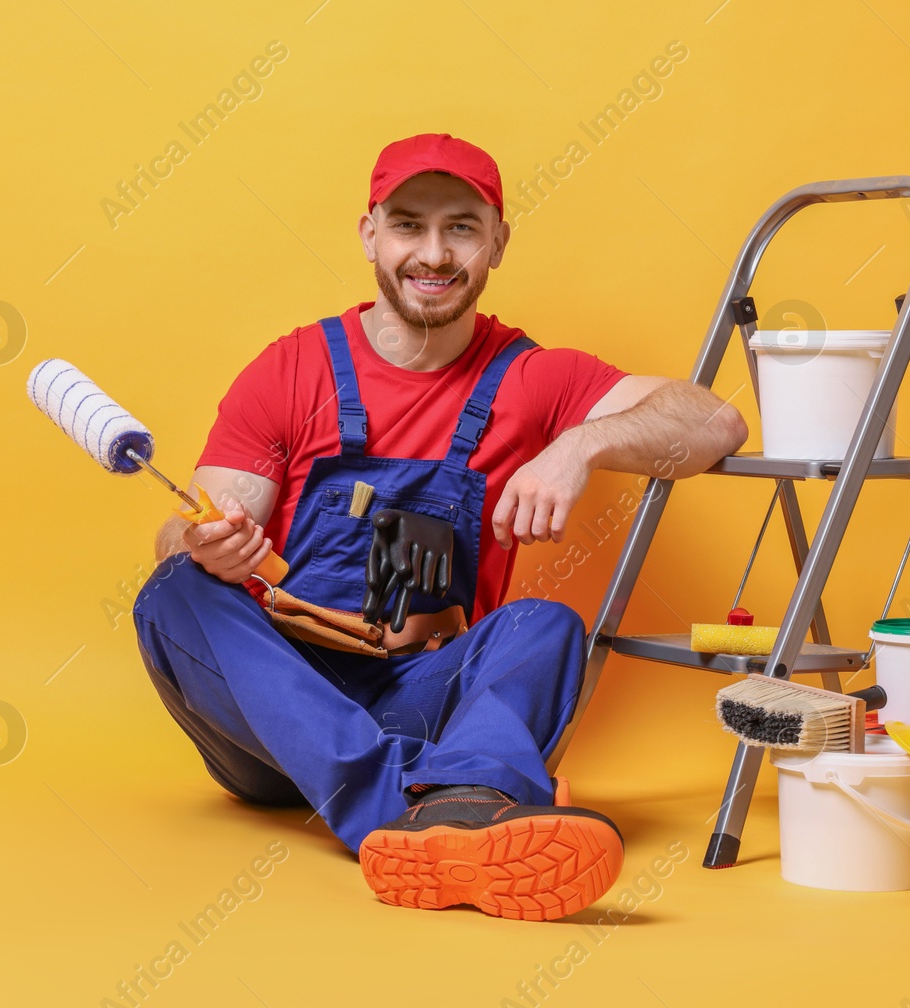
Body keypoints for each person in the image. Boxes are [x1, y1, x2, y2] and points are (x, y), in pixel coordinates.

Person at [132, 132, 747, 922]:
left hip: (415, 698)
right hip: (268, 720)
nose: (433, 252)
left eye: (461, 226)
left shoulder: (533, 378)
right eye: (408, 225)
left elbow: (715, 419)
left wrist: (579, 445)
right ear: (369, 236)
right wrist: (209, 547)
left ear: (497, 242)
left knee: (544, 624)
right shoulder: (291, 370)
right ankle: (431, 804)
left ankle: (456, 802)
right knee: (174, 586)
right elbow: (184, 531)